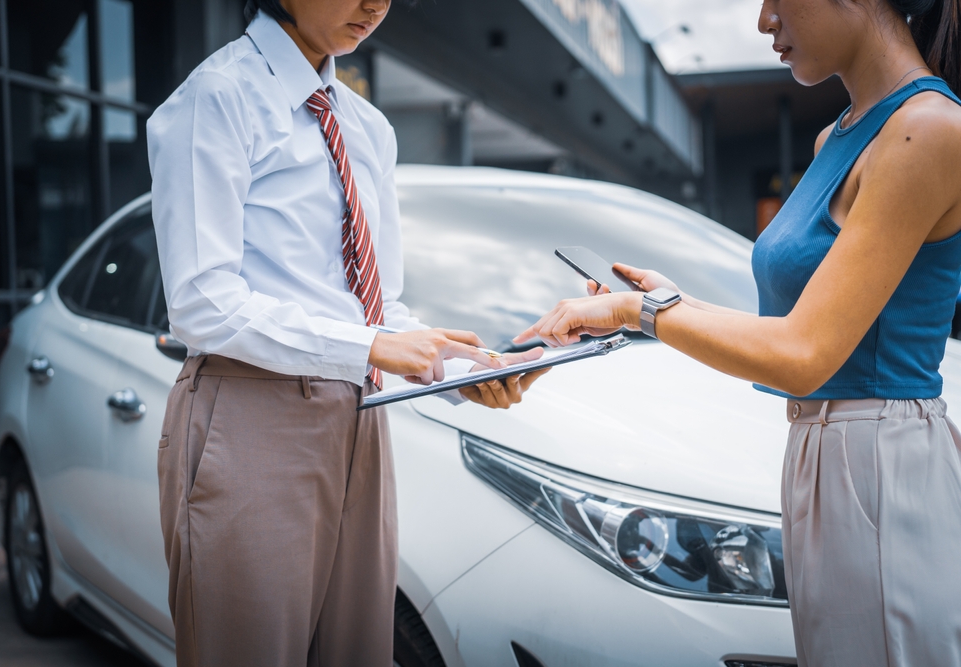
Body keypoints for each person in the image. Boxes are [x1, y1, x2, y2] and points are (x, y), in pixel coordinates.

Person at [515, 0, 961, 664]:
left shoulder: (926, 130)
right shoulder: (844, 133)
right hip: (833, 452)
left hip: (878, 463)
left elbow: (804, 352)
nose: (763, 21)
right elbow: (795, 330)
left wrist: (639, 314)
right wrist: (658, 304)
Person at [147, 0, 547, 665]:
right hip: (250, 417)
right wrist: (366, 346)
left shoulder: (367, 127)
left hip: (360, 419)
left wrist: (461, 372)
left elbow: (378, 305)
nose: (373, 6)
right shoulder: (215, 99)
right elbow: (201, 303)